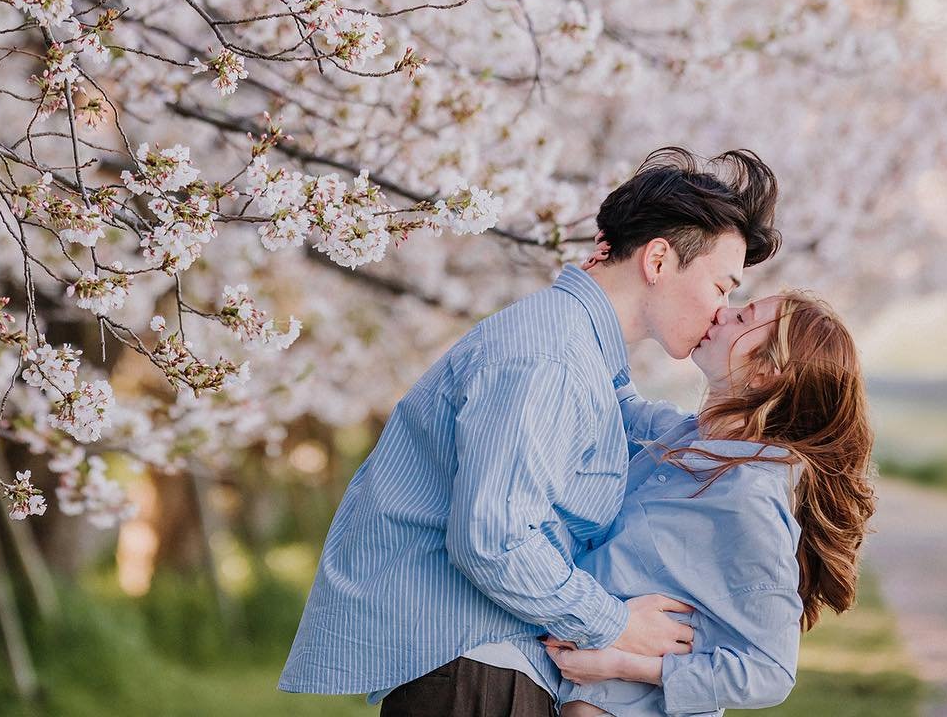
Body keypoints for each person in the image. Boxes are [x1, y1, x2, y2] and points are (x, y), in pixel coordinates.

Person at [278, 147, 782, 713]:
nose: (722, 311)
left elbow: (646, 422)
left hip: (487, 666)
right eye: (722, 286)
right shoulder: (553, 358)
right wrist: (615, 626)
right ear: (659, 260)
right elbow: (494, 539)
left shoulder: (577, 352)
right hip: (478, 669)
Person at [546, 290, 874, 716]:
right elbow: (618, 400)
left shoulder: (750, 494)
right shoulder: (690, 435)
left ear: (764, 373)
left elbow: (771, 670)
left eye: (743, 319)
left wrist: (629, 664)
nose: (723, 312)